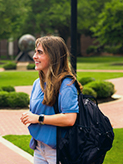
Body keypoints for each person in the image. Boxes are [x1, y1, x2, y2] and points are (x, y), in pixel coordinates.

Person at [20, 36, 81, 164]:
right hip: (39, 148)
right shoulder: (38, 83)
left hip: (58, 150)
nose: (34, 56)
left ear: (53, 56)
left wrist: (38, 118)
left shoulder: (66, 84)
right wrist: (29, 116)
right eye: (35, 52)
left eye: (40, 52)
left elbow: (70, 119)